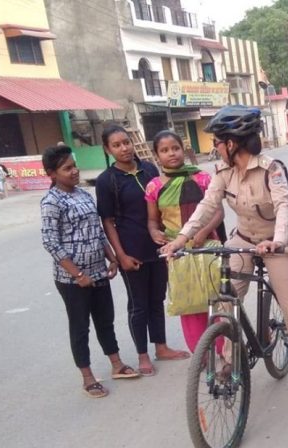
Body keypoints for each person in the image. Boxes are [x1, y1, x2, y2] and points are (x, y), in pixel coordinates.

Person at [161, 105, 288, 400]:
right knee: (225, 302)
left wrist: (277, 242)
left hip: (274, 243)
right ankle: (229, 360)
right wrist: (182, 239)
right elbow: (207, 206)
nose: (214, 148)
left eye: (217, 142)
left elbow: (283, 208)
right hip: (242, 240)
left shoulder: (271, 169)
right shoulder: (223, 172)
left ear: (232, 143)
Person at [40, 145, 139, 398]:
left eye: (75, 166)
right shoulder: (51, 201)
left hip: (98, 272)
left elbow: (97, 231)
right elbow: (51, 242)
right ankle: (87, 377)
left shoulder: (83, 195)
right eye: (67, 168)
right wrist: (77, 274)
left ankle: (116, 364)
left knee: (105, 321)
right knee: (80, 326)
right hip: (72, 280)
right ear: (52, 173)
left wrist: (112, 258)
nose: (74, 171)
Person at [95, 125, 190, 378]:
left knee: (157, 299)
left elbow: (161, 205)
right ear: (108, 149)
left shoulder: (149, 170)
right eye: (116, 145)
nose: (124, 148)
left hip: (159, 247)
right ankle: (143, 355)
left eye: (126, 142)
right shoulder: (107, 181)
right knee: (138, 305)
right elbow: (108, 221)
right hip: (131, 250)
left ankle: (161, 347)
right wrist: (120, 256)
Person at [145, 130, 225, 353]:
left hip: (206, 246)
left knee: (214, 299)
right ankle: (200, 353)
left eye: (175, 148)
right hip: (176, 252)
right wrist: (154, 233)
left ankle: (222, 350)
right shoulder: (154, 186)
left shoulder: (202, 178)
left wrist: (202, 232)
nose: (172, 153)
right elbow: (153, 221)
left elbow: (218, 213)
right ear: (156, 155)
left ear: (183, 150)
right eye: (164, 150)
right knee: (188, 302)